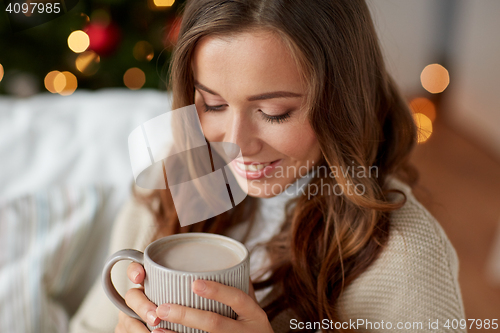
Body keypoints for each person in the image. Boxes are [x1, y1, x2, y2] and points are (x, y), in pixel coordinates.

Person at [69, 0, 466, 332]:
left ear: (342, 103)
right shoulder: (173, 183)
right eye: (213, 104)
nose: (235, 144)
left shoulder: (406, 262)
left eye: (274, 112)